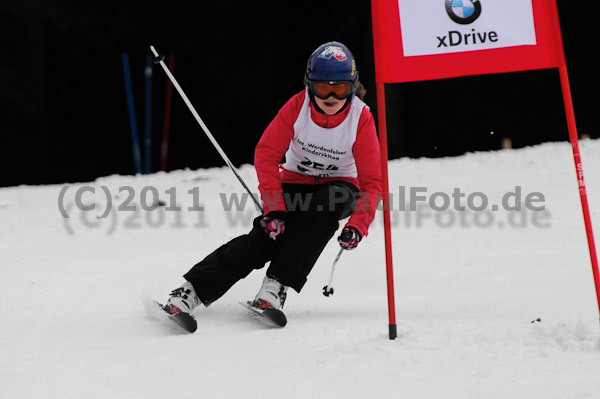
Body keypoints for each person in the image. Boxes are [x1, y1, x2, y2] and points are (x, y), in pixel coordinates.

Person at [164, 41, 382, 319]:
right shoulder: (296, 107)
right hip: (295, 181)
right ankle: (189, 292)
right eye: (321, 88)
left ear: (351, 87)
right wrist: (275, 209)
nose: (330, 96)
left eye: (339, 89)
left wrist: (358, 225)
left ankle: (275, 286)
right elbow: (266, 154)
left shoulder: (360, 118)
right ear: (309, 85)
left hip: (341, 186)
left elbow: (373, 182)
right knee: (265, 238)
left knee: (325, 207)